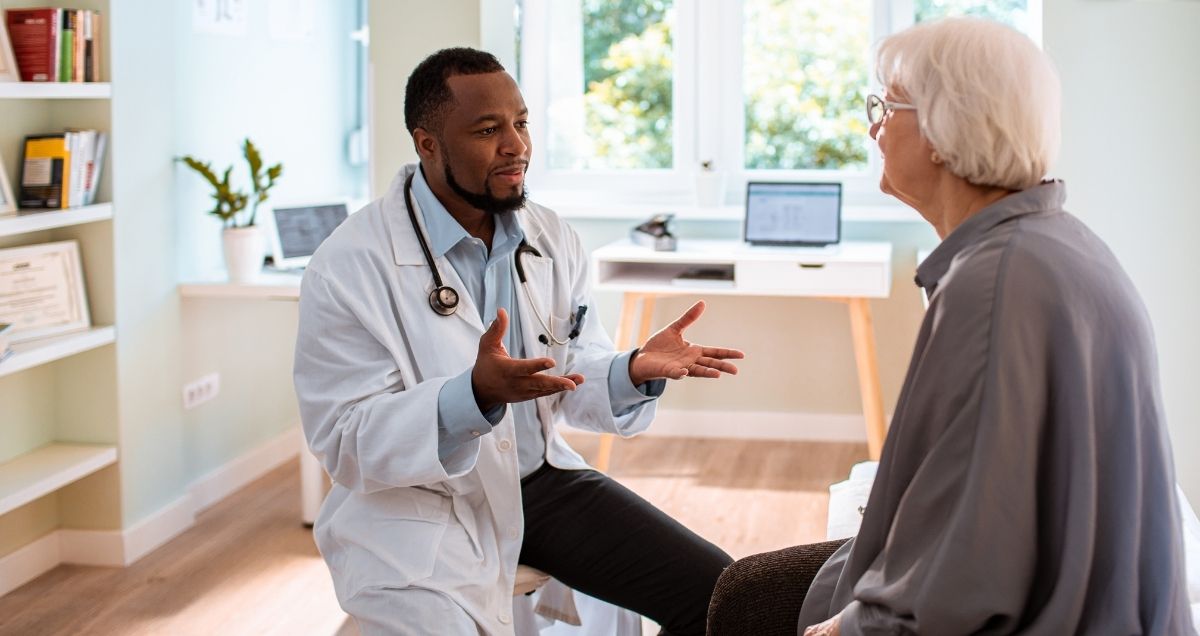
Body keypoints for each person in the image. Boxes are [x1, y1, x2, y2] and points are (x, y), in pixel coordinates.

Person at [708, 17, 1196, 636]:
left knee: (744, 601)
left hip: (1038, 609)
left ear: (942, 127)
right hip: (1079, 590)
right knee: (746, 586)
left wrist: (851, 628)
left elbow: (970, 564)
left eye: (886, 106)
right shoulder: (1054, 243)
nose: (873, 126)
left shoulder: (994, 284)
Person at [293, 47, 744, 636]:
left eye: (521, 123)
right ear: (427, 143)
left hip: (541, 486)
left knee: (729, 602)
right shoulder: (349, 266)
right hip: (419, 507)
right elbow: (345, 441)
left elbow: (573, 366)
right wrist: (471, 398)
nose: (517, 146)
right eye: (488, 130)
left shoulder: (551, 236)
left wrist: (630, 371)